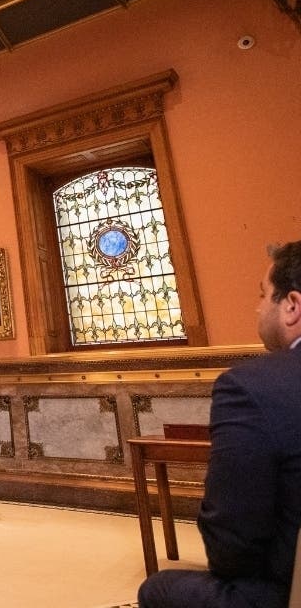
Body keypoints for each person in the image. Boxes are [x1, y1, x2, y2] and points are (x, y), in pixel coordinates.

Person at [138, 240, 301, 608]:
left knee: (158, 589)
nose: (259, 307)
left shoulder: (253, 387)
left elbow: (230, 548)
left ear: (291, 306)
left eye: (264, 295)